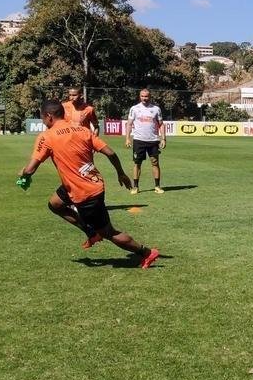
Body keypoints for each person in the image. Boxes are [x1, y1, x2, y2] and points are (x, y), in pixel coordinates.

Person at [18, 99, 158, 268]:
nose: (43, 122)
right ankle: (91, 233)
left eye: (42, 118)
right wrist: (120, 173)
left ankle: (146, 253)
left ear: (49, 116)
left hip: (85, 193)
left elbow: (30, 170)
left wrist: (23, 173)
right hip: (83, 183)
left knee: (108, 232)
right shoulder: (83, 130)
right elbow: (110, 153)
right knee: (55, 204)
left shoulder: (47, 136)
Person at [125, 88, 166, 194]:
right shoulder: (134, 108)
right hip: (139, 140)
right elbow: (129, 124)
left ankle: (157, 186)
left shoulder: (156, 109)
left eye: (146, 96)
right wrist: (127, 138)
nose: (144, 98)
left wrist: (163, 138)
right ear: (140, 97)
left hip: (153, 140)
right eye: (142, 96)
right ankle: (135, 187)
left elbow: (161, 124)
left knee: (155, 162)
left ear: (150, 97)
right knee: (137, 163)